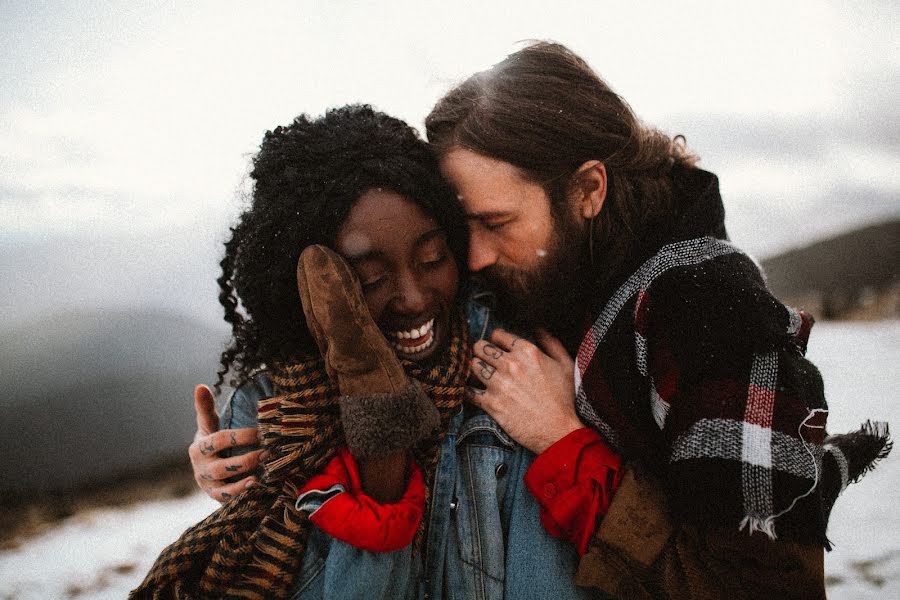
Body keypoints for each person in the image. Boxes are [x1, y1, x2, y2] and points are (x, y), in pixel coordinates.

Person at [191, 43, 890, 599]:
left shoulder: (705, 308)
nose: (470, 257)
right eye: (454, 228)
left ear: (587, 190)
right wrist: (257, 447)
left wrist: (566, 444)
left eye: (496, 223)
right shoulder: (550, 282)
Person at [133, 104, 621, 599]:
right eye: (369, 278)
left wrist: (563, 435)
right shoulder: (281, 413)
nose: (413, 298)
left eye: (433, 258)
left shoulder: (514, 374)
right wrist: (372, 448)